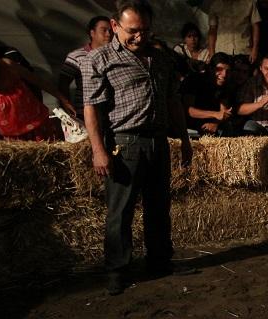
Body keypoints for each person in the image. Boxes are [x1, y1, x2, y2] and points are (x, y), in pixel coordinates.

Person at [81, 0, 193, 295]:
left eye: (144, 30)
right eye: (132, 31)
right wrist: (98, 150)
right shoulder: (99, 60)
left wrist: (184, 139)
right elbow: (91, 108)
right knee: (121, 210)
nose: (139, 37)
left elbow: (173, 101)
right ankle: (117, 270)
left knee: (159, 206)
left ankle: (159, 261)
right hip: (124, 142)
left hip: (158, 141)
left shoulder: (162, 59)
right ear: (115, 26)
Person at [58, 16, 112, 119]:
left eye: (111, 30)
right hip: (86, 115)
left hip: (113, 115)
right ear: (92, 33)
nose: (108, 34)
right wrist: (66, 110)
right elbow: (63, 84)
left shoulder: (116, 56)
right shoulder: (76, 56)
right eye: (104, 30)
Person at [181, 52, 236, 136]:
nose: (224, 75)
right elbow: (188, 110)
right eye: (219, 69)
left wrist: (216, 123)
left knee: (227, 127)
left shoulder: (225, 84)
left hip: (210, 123)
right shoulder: (194, 80)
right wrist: (215, 114)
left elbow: (224, 112)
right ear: (211, 68)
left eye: (227, 71)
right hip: (187, 123)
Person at [205, 0, 261, 64]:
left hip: (244, 49)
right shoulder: (215, 4)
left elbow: (256, 26)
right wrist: (212, 53)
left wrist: (255, 49)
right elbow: (212, 30)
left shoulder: (249, 3)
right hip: (222, 50)